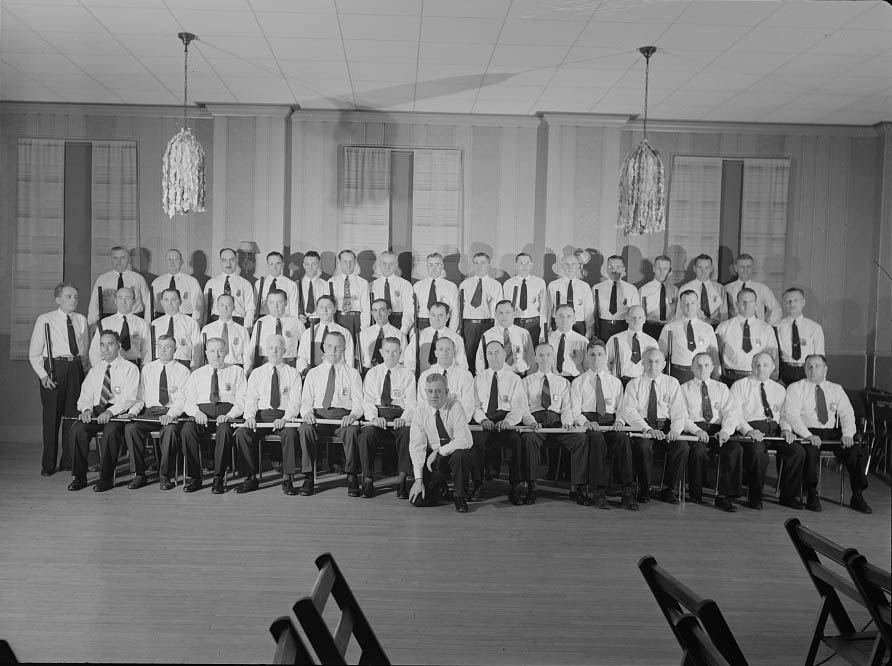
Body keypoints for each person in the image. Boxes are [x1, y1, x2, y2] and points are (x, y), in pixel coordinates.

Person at [782, 354, 872, 514]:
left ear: (825, 369)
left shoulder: (835, 389)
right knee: (810, 450)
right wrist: (807, 435)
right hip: (807, 431)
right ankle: (811, 493)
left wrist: (848, 434)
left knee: (855, 451)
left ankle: (857, 495)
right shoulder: (796, 387)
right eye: (809, 366)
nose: (812, 369)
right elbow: (792, 415)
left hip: (831, 433)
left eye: (817, 366)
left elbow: (847, 413)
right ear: (804, 369)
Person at [67, 331, 139, 492]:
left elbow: (129, 398)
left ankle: (106, 479)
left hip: (118, 413)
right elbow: (85, 395)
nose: (105, 349)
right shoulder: (96, 370)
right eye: (102, 345)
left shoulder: (130, 368)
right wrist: (86, 409)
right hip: (97, 410)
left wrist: (110, 413)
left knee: (111, 432)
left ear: (119, 346)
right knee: (78, 429)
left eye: (110, 344)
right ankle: (79, 477)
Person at [730, 352, 804, 509]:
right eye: (757, 364)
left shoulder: (779, 389)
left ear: (773, 368)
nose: (760, 368)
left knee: (797, 451)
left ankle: (788, 496)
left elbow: (784, 415)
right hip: (752, 431)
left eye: (765, 365)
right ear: (751, 366)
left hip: (775, 431)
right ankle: (755, 497)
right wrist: (748, 431)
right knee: (758, 452)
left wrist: (785, 430)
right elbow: (734, 414)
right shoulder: (740, 386)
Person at [30, 282, 89, 476]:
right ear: (58, 299)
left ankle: (68, 461)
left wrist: (84, 373)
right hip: (54, 368)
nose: (73, 300)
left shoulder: (81, 319)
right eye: (68, 297)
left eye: (75, 297)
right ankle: (48, 464)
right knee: (52, 418)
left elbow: (84, 351)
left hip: (75, 368)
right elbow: (35, 353)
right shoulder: (45, 319)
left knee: (72, 416)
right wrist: (43, 375)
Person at [571, 341, 638, 510]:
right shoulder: (578, 382)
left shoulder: (615, 382)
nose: (596, 358)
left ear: (605, 357)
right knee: (597, 439)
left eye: (600, 354)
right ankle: (598, 491)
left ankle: (627, 490)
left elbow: (622, 409)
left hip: (610, 421)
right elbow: (574, 411)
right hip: (590, 423)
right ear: (586, 357)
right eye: (592, 354)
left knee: (623, 438)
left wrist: (619, 421)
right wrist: (585, 422)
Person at [519, 343, 587, 506]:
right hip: (536, 422)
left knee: (580, 439)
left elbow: (567, 408)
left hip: (557, 422)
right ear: (535, 357)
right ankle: (532, 486)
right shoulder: (526, 381)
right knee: (528, 439)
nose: (544, 358)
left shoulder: (563, 382)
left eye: (548, 355)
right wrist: (532, 423)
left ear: (553, 357)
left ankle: (576, 487)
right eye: (541, 355)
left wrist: (567, 423)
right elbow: (523, 408)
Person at [235, 335, 303, 495]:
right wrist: (250, 417)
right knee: (242, 433)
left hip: (284, 417)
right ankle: (250, 478)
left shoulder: (293, 373)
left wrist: (285, 419)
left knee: (291, 434)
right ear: (266, 350)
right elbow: (250, 399)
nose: (275, 351)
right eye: (271, 347)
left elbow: (295, 402)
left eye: (279, 348)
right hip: (261, 416)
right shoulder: (257, 373)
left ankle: (288, 478)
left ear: (284, 351)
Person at [298, 331, 364, 497]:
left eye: (337, 347)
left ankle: (351, 476)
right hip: (319, 417)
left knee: (352, 431)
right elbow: (305, 401)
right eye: (329, 346)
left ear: (344, 349)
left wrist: (353, 416)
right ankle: (308, 477)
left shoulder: (352, 374)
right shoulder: (313, 373)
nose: (333, 351)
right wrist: (307, 413)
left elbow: (358, 403)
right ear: (323, 348)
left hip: (343, 418)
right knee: (305, 429)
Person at [620, 348, 689, 505]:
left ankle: (668, 489)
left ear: (663, 364)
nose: (653, 365)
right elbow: (629, 412)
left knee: (682, 447)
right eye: (649, 361)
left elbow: (679, 411)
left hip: (666, 426)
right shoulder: (634, 384)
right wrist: (647, 429)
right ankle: (645, 488)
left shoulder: (672, 383)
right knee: (643, 446)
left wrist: (675, 430)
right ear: (643, 363)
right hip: (643, 426)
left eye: (657, 361)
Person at [123, 334, 190, 490]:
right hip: (150, 413)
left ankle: (164, 475)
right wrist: (133, 413)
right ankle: (139, 474)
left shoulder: (183, 371)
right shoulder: (148, 369)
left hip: (171, 412)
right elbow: (140, 397)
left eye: (167, 346)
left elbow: (182, 400)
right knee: (131, 428)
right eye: (159, 346)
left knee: (170, 430)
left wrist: (170, 415)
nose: (163, 350)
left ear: (175, 349)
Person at [180, 337, 247, 494]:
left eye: (220, 351)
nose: (216, 355)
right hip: (202, 416)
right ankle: (194, 477)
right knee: (187, 430)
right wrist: (196, 413)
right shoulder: (197, 374)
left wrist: (230, 415)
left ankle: (218, 478)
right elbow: (187, 400)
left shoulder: (237, 372)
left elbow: (243, 399)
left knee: (224, 431)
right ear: (206, 353)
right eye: (212, 351)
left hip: (225, 417)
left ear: (226, 352)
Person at [680, 353, 742, 511]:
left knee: (735, 449)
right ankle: (696, 493)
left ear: (712, 368)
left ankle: (724, 496)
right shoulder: (683, 389)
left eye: (706, 365)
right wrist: (696, 431)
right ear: (691, 367)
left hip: (718, 429)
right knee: (699, 451)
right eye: (698, 365)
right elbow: (682, 416)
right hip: (695, 429)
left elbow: (731, 413)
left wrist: (726, 431)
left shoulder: (721, 388)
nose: (702, 368)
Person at [359, 337, 417, 498]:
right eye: (388, 351)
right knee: (366, 435)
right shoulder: (372, 373)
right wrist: (373, 418)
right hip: (379, 416)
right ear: (381, 352)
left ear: (400, 353)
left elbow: (412, 402)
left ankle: (401, 480)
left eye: (395, 351)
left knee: (407, 433)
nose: (391, 355)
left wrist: (404, 418)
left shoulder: (407, 375)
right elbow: (368, 400)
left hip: (399, 416)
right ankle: (368, 479)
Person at [470, 341, 527, 502]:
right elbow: (474, 405)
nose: (494, 356)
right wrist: (482, 419)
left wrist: (508, 421)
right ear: (486, 356)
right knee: (475, 442)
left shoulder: (514, 379)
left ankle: (515, 485)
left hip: (505, 421)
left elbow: (519, 406)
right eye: (490, 353)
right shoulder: (478, 379)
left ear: (504, 354)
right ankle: (477, 484)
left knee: (516, 441)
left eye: (497, 352)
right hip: (486, 421)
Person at [408, 373, 472, 513]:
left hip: (451, 455)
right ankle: (440, 488)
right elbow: (416, 446)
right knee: (418, 500)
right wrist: (418, 480)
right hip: (433, 461)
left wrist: (439, 452)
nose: (434, 395)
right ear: (425, 392)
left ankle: (459, 496)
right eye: (430, 391)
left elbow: (465, 440)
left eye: (438, 391)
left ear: (447, 392)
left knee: (461, 454)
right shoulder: (420, 411)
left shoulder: (455, 406)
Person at [715, 287, 778, 385]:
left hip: (757, 378)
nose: (747, 305)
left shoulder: (766, 329)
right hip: (730, 378)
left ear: (756, 304)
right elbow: (716, 356)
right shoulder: (723, 328)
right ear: (737, 304)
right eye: (743, 302)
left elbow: (772, 356)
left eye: (751, 302)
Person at [658, 290, 719, 383]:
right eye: (685, 303)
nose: (689, 306)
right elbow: (661, 356)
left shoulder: (707, 328)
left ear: (698, 305)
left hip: (702, 373)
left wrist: (717, 376)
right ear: (680, 306)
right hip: (678, 375)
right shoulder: (670, 327)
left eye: (693, 303)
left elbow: (714, 356)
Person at [459, 252, 502, 373]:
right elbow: (459, 308)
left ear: (488, 265)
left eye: (482, 263)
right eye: (476, 263)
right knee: (469, 354)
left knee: (486, 354)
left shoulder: (496, 285)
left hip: (487, 324)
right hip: (469, 325)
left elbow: (498, 310)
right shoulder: (465, 284)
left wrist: (497, 329)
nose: (479, 266)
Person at [417, 336, 477, 424]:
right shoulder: (425, 376)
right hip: (432, 424)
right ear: (436, 353)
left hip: (457, 424)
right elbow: (423, 404)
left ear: (454, 352)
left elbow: (468, 406)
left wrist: (453, 422)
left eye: (448, 349)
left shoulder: (466, 376)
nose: (444, 353)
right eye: (441, 349)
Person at [87, 246, 151, 326]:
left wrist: (148, 322)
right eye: (115, 258)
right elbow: (94, 303)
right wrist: (93, 323)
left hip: (135, 320)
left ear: (128, 259)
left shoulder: (138, 279)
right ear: (111, 259)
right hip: (109, 320)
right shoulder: (102, 279)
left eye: (122, 258)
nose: (119, 261)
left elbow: (148, 303)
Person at [89, 287, 151, 368]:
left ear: (134, 301)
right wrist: (101, 369)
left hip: (133, 366)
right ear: (115, 300)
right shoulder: (105, 323)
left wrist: (144, 369)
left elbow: (148, 350)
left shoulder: (142, 323)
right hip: (110, 365)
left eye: (127, 298)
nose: (123, 302)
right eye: (120, 298)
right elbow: (94, 350)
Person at [245, 289, 304, 372]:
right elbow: (251, 348)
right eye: (271, 302)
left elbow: (304, 349)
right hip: (265, 366)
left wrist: (301, 369)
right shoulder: (261, 322)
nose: (275, 306)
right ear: (267, 304)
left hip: (289, 366)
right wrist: (248, 369)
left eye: (279, 302)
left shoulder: (296, 323)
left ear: (286, 303)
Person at [776, 287, 825, 385]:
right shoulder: (777, 327)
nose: (792, 304)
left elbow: (820, 356)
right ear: (784, 305)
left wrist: (820, 381)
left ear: (803, 302)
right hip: (785, 373)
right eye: (788, 301)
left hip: (807, 372)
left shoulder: (814, 327)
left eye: (795, 300)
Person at [295, 295, 355, 374]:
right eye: (321, 307)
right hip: (313, 373)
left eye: (329, 307)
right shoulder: (308, 333)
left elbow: (349, 359)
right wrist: (304, 371)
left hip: (337, 373)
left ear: (335, 309)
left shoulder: (344, 333)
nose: (325, 310)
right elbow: (302, 357)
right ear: (317, 310)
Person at [403, 302, 467, 375]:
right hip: (423, 378)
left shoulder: (456, 338)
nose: (437, 319)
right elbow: (409, 359)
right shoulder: (419, 336)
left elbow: (462, 365)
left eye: (441, 315)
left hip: (447, 378)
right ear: (429, 315)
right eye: (433, 315)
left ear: (447, 316)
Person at [474, 300, 535, 376]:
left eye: (508, 312)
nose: (504, 316)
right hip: (497, 376)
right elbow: (480, 360)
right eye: (500, 313)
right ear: (495, 315)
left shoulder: (524, 333)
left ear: (514, 313)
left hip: (521, 376)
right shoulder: (487, 335)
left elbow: (531, 358)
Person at [203, 248, 257, 328]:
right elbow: (205, 308)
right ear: (220, 262)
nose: (228, 264)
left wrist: (246, 329)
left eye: (232, 260)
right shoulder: (211, 283)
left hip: (238, 322)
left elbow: (250, 309)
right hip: (216, 322)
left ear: (236, 261)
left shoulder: (245, 284)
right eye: (224, 260)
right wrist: (205, 326)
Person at [606, 305, 658, 387]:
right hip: (619, 383)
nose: (636, 320)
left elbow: (655, 367)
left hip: (642, 384)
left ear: (644, 319)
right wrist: (611, 381)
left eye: (640, 317)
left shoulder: (652, 342)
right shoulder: (615, 339)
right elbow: (606, 362)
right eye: (633, 317)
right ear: (627, 319)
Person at [503, 252, 549, 345]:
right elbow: (504, 308)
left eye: (528, 263)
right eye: (521, 263)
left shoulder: (539, 282)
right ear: (516, 265)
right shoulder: (508, 284)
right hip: (515, 322)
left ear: (531, 265)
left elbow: (544, 308)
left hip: (534, 324)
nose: (525, 266)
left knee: (533, 352)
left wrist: (543, 330)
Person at [150, 288, 202, 369]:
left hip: (183, 363)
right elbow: (149, 348)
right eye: (166, 300)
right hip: (160, 363)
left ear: (180, 301)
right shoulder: (154, 324)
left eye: (174, 300)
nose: (170, 303)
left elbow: (197, 348)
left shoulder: (191, 322)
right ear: (161, 302)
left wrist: (194, 367)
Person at [723, 254, 781, 324]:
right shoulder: (727, 288)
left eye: (748, 267)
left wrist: (767, 326)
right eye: (742, 267)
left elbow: (776, 309)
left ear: (753, 268)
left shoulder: (762, 288)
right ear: (736, 268)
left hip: (757, 328)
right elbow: (723, 312)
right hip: (734, 328)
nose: (745, 270)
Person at [592, 255, 640, 341]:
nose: (613, 270)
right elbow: (591, 312)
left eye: (617, 267)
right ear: (606, 268)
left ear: (623, 269)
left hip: (623, 327)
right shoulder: (597, 288)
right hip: (603, 328)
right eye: (610, 267)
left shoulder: (631, 289)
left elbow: (635, 313)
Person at [328, 249, 370, 345]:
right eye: (345, 261)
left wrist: (364, 329)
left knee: (355, 350)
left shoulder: (363, 283)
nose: (348, 265)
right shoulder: (332, 282)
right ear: (340, 262)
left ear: (355, 262)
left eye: (351, 261)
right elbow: (329, 305)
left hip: (355, 320)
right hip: (338, 319)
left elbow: (366, 309)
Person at [547, 252, 594, 337]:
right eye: (567, 264)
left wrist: (589, 331)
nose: (570, 267)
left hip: (579, 325)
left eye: (573, 264)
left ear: (578, 266)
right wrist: (548, 328)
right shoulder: (553, 285)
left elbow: (589, 311)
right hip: (559, 324)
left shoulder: (585, 287)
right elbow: (548, 309)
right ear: (562, 266)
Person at [151, 248, 203, 323]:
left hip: (185, 320)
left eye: (175, 259)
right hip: (162, 320)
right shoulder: (157, 282)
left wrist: (194, 323)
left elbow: (197, 307)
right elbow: (150, 307)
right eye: (169, 259)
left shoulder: (192, 281)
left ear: (181, 261)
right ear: (165, 261)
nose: (172, 262)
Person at [413, 252, 459, 331]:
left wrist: (451, 332)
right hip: (422, 323)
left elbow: (455, 312)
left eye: (437, 264)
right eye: (430, 265)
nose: (434, 268)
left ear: (442, 266)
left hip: (442, 323)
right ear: (427, 266)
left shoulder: (451, 287)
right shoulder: (417, 286)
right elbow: (412, 311)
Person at [200, 294, 250, 367]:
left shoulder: (242, 331)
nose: (225, 308)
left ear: (234, 308)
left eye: (228, 305)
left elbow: (247, 356)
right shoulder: (207, 329)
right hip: (214, 368)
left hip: (235, 368)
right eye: (222, 305)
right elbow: (201, 354)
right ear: (217, 307)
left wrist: (245, 372)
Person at [370, 251, 414, 334]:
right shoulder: (372, 285)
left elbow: (409, 310)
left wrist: (403, 331)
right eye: (384, 264)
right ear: (379, 264)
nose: (387, 267)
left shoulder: (405, 284)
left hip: (398, 322)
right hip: (378, 322)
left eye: (391, 264)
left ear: (396, 265)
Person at [679, 254, 727, 326]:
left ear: (711, 269)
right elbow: (679, 314)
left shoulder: (720, 288)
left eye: (706, 267)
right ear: (694, 268)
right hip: (692, 326)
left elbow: (724, 315)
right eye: (699, 267)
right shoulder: (685, 288)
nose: (703, 271)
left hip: (715, 327)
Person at [358, 299, 406, 371]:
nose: (378, 314)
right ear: (372, 313)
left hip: (392, 372)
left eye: (382, 310)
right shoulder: (363, 334)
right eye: (375, 311)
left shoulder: (399, 335)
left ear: (389, 312)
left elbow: (403, 360)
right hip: (368, 372)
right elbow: (360, 360)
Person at [639, 254, 677, 340]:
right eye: (659, 268)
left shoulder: (675, 290)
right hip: (650, 328)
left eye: (665, 269)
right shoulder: (644, 290)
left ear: (669, 271)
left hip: (669, 329)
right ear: (654, 269)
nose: (662, 272)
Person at [547, 304, 589, 379]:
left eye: (569, 316)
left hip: (576, 379)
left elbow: (587, 367)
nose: (564, 320)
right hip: (553, 378)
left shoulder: (583, 341)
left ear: (574, 320)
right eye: (561, 316)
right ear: (555, 319)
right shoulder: (548, 339)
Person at [256, 251, 299, 318]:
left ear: (283, 264)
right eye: (271, 264)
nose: (274, 267)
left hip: (284, 319)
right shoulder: (259, 283)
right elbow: (256, 307)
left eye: (278, 263)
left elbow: (294, 311)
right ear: (267, 265)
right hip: (264, 320)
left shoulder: (291, 285)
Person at [295, 251, 329, 326]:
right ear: (303, 265)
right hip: (301, 322)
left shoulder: (326, 285)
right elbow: (291, 306)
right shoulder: (296, 285)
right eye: (307, 264)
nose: (310, 267)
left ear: (319, 264)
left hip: (321, 322)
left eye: (314, 264)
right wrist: (296, 315)